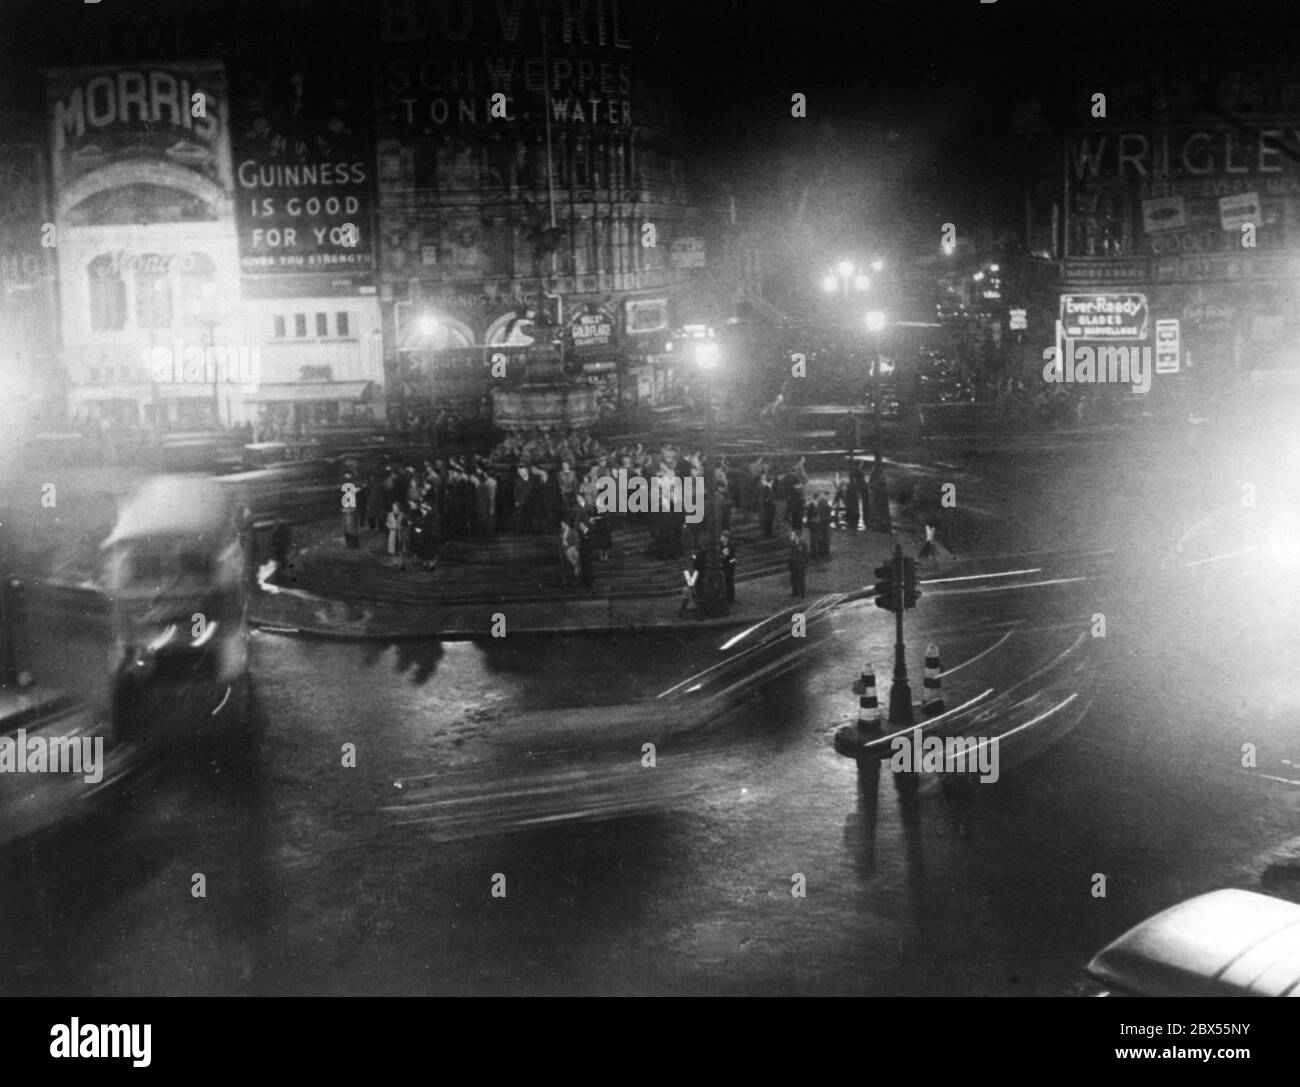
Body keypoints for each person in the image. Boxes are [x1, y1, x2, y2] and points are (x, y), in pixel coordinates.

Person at [787, 530, 810, 598]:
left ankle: (803, 593)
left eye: (792, 535)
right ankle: (795, 592)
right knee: (793, 579)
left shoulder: (803, 544)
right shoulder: (792, 544)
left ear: (797, 536)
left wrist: (803, 562)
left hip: (800, 565)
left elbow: (807, 555)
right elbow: (791, 555)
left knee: (801, 579)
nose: (791, 537)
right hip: (793, 564)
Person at [719, 530, 737, 604]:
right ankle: (729, 597)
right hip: (728, 565)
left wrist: (718, 557)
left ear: (726, 538)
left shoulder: (729, 545)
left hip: (729, 566)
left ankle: (731, 598)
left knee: (729, 582)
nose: (720, 538)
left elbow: (726, 556)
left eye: (722, 537)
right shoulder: (724, 545)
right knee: (728, 582)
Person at [816, 491, 833, 559]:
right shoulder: (824, 502)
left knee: (823, 538)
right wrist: (832, 507)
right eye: (829, 497)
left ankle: (823, 552)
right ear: (826, 495)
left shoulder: (821, 502)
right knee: (826, 538)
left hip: (822, 522)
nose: (829, 498)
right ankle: (825, 553)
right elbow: (827, 510)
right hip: (824, 523)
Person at [805, 494, 822, 559]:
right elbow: (809, 518)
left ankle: (817, 553)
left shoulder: (817, 504)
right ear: (817, 498)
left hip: (817, 525)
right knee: (813, 541)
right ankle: (813, 555)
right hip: (813, 526)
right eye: (819, 498)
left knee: (818, 540)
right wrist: (815, 520)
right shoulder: (811, 505)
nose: (820, 499)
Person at [759, 474, 776, 538]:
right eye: (772, 480)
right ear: (771, 481)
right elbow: (766, 498)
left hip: (770, 507)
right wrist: (770, 498)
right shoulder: (766, 488)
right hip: (768, 507)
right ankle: (767, 534)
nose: (773, 482)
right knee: (767, 521)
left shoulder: (769, 487)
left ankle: (769, 533)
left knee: (770, 521)